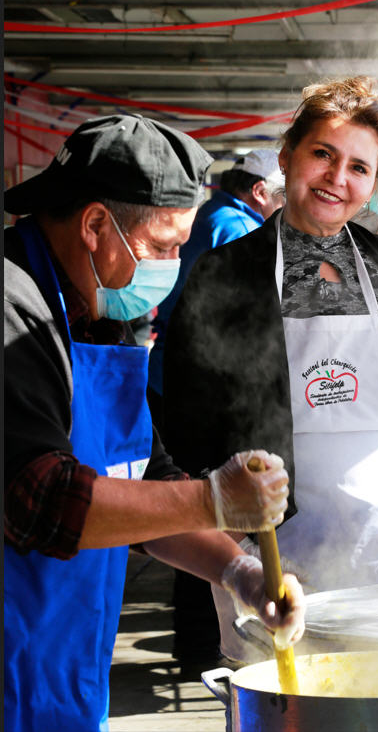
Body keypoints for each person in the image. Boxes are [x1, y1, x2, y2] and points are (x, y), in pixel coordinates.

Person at [3, 114, 305, 732]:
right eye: (164, 247)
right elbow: (45, 500)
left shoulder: (97, 310)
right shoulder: (14, 310)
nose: (171, 267)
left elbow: (141, 476)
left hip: (64, 666)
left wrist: (237, 571)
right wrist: (213, 499)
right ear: (95, 226)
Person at [163, 77, 378, 664]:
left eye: (359, 167)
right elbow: (179, 427)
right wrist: (235, 557)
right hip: (280, 564)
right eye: (323, 154)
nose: (338, 178)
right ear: (287, 158)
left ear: (372, 185)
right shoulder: (225, 274)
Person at [146, 147, 285, 672]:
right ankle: (201, 647)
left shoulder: (211, 215)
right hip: (202, 388)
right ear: (258, 193)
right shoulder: (234, 227)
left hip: (173, 381)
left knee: (189, 502)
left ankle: (194, 645)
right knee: (206, 507)